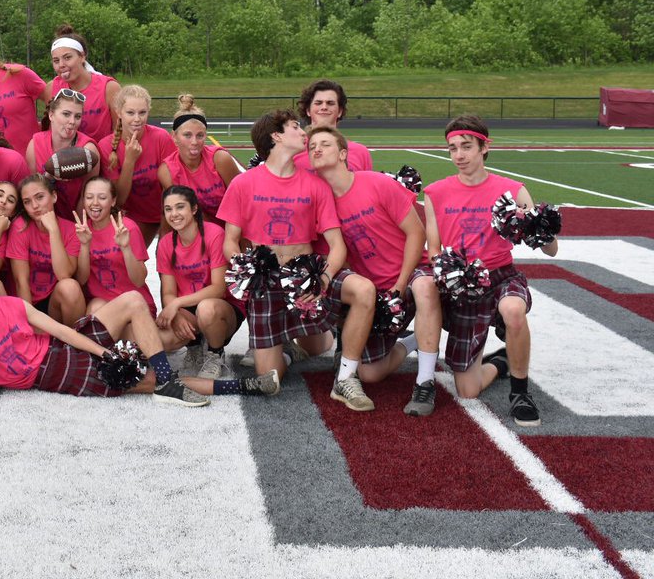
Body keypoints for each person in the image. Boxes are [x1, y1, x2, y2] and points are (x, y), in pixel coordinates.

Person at [0, 258, 281, 405]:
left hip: (64, 348)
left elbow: (61, 331)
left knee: (132, 299)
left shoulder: (11, 305)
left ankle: (166, 379)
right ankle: (247, 386)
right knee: (149, 381)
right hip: (56, 375)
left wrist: (105, 352)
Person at [424, 115, 558, 426]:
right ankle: (501, 362)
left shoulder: (513, 190)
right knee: (467, 390)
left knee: (513, 310)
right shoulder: (435, 193)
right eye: (453, 148)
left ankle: (520, 393)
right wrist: (449, 272)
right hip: (462, 285)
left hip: (501, 276)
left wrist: (538, 228)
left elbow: (551, 249)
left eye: (466, 146)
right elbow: (434, 249)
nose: (459, 155)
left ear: (485, 147)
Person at [308, 125, 441, 415]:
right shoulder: (321, 202)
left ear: (343, 154)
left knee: (424, 287)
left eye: (325, 144)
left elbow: (417, 233)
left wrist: (400, 284)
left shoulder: (376, 183)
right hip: (377, 291)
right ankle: (415, 340)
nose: (317, 149)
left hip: (410, 274)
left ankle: (425, 381)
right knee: (369, 374)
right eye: (312, 146)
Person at [218, 109, 345, 383]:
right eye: (295, 127)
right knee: (267, 375)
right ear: (276, 136)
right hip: (265, 281)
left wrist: (321, 281)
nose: (303, 132)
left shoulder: (316, 185)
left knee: (318, 347)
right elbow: (230, 241)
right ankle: (285, 350)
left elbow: (337, 245)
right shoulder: (242, 183)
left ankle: (326, 332)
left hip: (303, 279)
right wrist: (246, 269)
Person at [157, 186, 243, 381]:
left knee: (206, 309)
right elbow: (168, 291)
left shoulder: (214, 234)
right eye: (168, 209)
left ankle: (215, 354)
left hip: (222, 307)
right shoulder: (165, 243)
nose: (174, 214)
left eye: (180, 207)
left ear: (194, 209)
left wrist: (176, 304)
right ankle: (194, 347)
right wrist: (176, 313)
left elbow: (218, 289)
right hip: (188, 308)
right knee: (163, 340)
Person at [99, 85, 176, 244]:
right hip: (131, 217)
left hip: (164, 213)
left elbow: (172, 188)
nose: (137, 119)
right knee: (127, 253)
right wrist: (129, 160)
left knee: (165, 253)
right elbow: (119, 200)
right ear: (119, 112)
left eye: (142, 112)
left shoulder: (161, 138)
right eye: (130, 113)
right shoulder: (106, 146)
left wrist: (166, 228)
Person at [5, 174, 86, 325]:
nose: (34, 206)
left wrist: (53, 231)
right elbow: (21, 281)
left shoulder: (70, 230)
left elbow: (64, 275)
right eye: (27, 202)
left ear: (54, 196)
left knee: (70, 287)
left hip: (53, 302)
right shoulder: (20, 227)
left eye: (40, 197)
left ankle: (72, 339)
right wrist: (30, 324)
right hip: (26, 303)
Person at [73, 177, 158, 319]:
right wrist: (84, 245)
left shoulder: (127, 228)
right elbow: (81, 280)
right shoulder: (82, 231)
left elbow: (139, 280)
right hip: (102, 304)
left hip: (135, 305)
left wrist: (125, 247)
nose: (95, 203)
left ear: (113, 201)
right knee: (95, 308)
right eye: (89, 197)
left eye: (102, 197)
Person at [157, 95, 242, 224]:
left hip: (232, 225)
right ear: (174, 136)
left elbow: (241, 200)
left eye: (200, 135)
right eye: (187, 135)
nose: (194, 142)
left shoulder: (220, 159)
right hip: (197, 227)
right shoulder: (167, 171)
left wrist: (232, 235)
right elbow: (183, 214)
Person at [26, 89, 101, 219]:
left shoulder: (88, 150)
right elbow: (32, 191)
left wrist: (75, 226)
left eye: (77, 116)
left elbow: (87, 197)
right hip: (43, 217)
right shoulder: (35, 144)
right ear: (51, 115)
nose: (72, 121)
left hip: (76, 219)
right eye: (66, 114)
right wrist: (48, 177)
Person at [47, 24, 119, 143]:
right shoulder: (52, 88)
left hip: (100, 153)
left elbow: (120, 131)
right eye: (56, 60)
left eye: (67, 58)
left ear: (82, 56)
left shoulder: (109, 88)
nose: (61, 65)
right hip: (64, 154)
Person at [294, 79, 373, 172]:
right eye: (318, 103)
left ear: (340, 111)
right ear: (308, 110)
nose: (324, 107)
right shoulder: (293, 150)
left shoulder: (360, 152)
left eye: (330, 103)